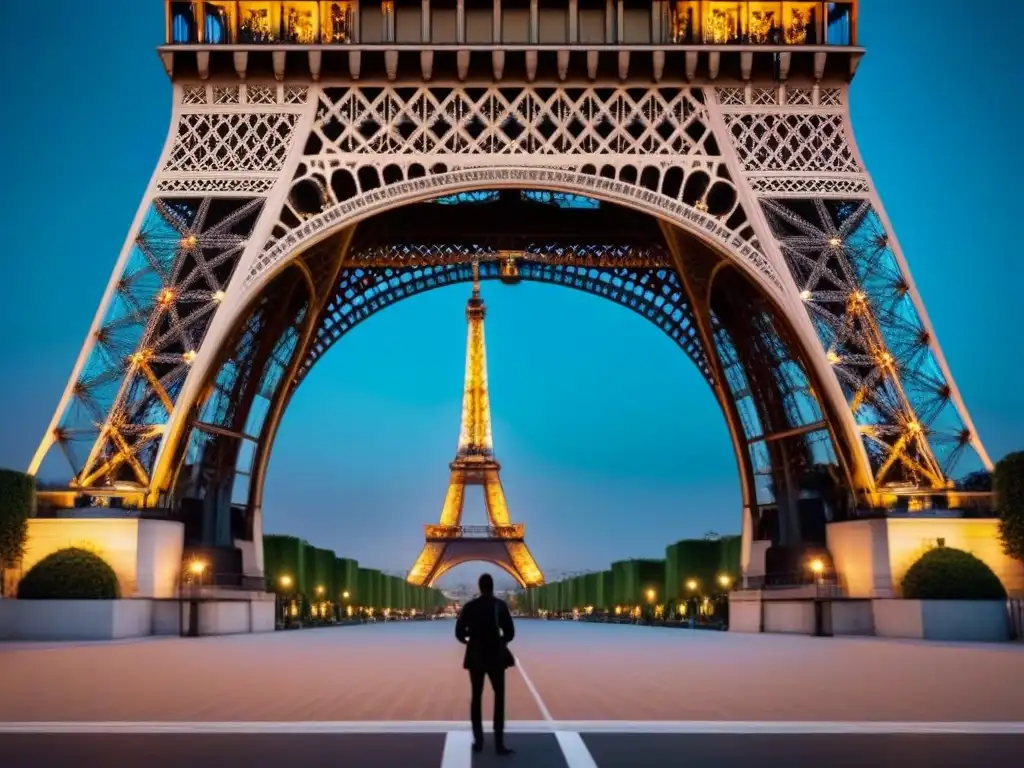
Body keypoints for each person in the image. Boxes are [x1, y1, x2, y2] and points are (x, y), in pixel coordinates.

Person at [455, 573, 516, 755]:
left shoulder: (470, 606)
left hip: (476, 657)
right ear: (492, 586)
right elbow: (510, 633)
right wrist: (501, 641)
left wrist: (470, 640)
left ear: (479, 586)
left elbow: (459, 632)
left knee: (476, 698)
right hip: (496, 657)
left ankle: (479, 741)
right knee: (499, 698)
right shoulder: (500, 605)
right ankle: (499, 743)